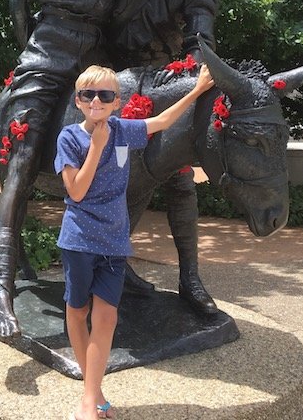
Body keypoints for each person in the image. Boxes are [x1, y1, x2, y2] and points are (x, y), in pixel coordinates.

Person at [0, 0, 139, 339]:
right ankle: (0, 288)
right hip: (49, 49)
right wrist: (29, 49)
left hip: (97, 53)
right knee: (24, 156)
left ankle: (116, 258)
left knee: (122, 149)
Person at [56, 63, 215, 420]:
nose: (96, 101)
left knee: (107, 317)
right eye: (88, 95)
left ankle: (87, 400)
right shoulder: (69, 137)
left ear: (117, 102)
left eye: (106, 95)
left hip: (113, 241)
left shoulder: (123, 130)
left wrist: (198, 89)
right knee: (78, 311)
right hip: (80, 239)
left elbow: (161, 122)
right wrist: (97, 147)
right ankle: (94, 392)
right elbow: (76, 191)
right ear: (79, 100)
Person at [107, 0, 229, 314]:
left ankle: (190, 279)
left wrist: (202, 69)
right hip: (103, 71)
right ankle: (108, 265)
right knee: (109, 170)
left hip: (160, 76)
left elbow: (200, 31)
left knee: (179, 178)